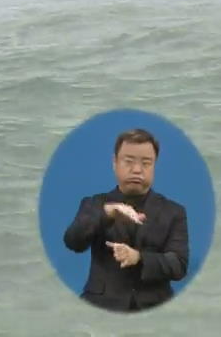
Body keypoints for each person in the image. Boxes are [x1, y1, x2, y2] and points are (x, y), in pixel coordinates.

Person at [62, 128, 189, 312]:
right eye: (128, 161)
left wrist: (139, 257)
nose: (137, 169)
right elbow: (73, 241)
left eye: (146, 163)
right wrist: (108, 212)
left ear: (154, 165)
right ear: (115, 163)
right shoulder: (95, 204)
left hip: (155, 308)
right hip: (100, 307)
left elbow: (179, 265)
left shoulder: (174, 212)